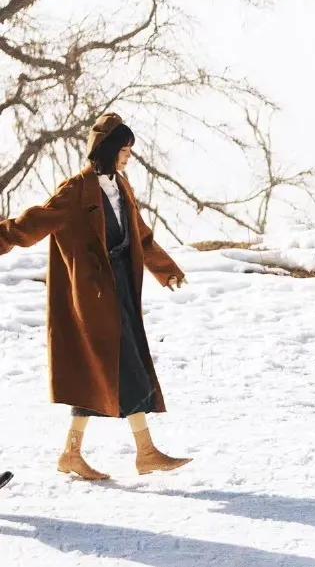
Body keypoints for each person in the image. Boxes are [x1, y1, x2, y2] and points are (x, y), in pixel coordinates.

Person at [0, 113, 192, 481]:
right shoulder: (77, 190)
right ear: (107, 151)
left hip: (120, 289)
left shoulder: (122, 186)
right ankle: (146, 452)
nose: (129, 157)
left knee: (97, 373)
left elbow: (141, 235)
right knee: (126, 366)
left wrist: (166, 270)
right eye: (124, 150)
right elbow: (33, 222)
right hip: (91, 296)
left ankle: (72, 454)